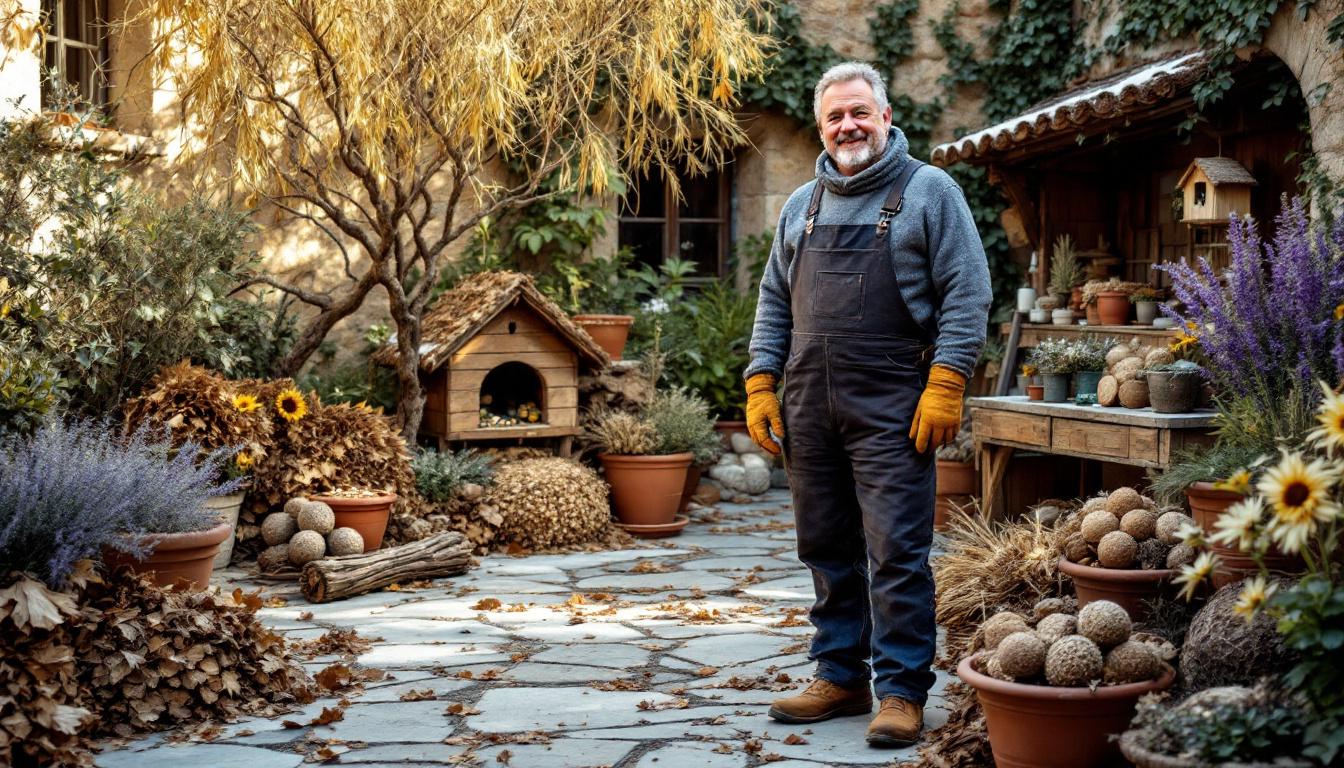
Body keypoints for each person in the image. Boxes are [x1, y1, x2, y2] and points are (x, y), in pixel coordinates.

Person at [744, 61, 991, 747]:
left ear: (885, 116)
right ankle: (840, 675)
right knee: (825, 546)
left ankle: (902, 689)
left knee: (896, 551)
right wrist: (760, 382)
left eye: (859, 112)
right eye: (835, 117)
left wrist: (948, 381)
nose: (848, 126)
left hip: (893, 403)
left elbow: (968, 291)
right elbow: (773, 301)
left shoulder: (929, 191)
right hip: (809, 403)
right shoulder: (801, 205)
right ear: (821, 127)